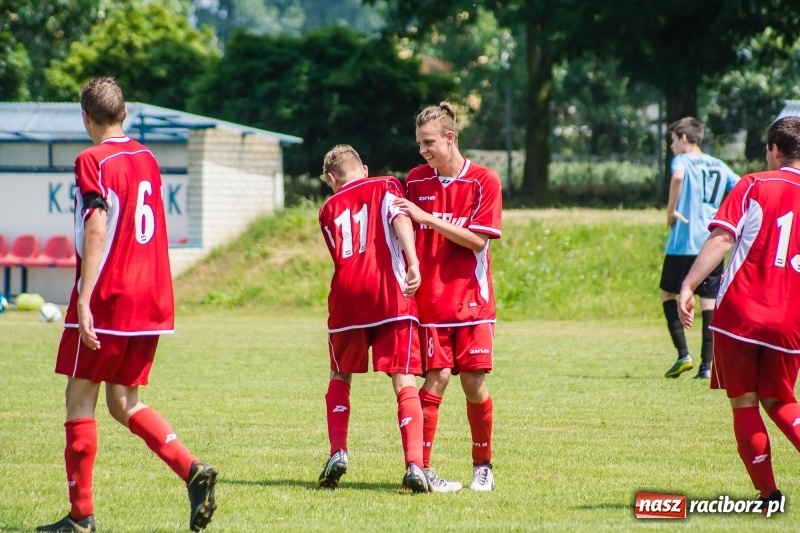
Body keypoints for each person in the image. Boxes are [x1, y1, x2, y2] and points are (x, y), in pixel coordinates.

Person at [37, 77, 217, 533]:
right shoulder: (148, 157)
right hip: (153, 296)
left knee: (79, 396)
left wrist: (83, 298)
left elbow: (96, 225)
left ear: (86, 118)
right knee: (123, 401)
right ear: (124, 114)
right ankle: (191, 469)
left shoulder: (91, 159)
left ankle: (81, 518)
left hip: (111, 294)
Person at [678, 115, 800, 505]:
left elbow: (721, 239)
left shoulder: (752, 184)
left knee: (745, 401)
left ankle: (768, 495)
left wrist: (689, 284)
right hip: (791, 319)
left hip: (741, 314)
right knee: (780, 399)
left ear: (775, 150)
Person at [393, 102, 501, 492]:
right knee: (435, 379)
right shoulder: (416, 180)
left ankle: (483, 465)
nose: (423, 151)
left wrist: (428, 219)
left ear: (450, 138)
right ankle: (420, 470)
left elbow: (477, 241)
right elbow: (399, 219)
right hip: (430, 304)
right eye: (420, 144)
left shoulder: (484, 181)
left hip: (473, 303)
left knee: (474, 384)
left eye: (429, 143)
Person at [317, 144, 429, 493]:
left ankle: (338, 452)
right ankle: (413, 464)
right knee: (403, 376)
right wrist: (413, 262)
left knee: (341, 373)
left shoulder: (328, 208)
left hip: (348, 296)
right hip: (389, 292)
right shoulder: (385, 184)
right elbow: (399, 219)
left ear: (332, 179)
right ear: (363, 168)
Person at [661, 117, 739, 379]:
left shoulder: (682, 160)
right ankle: (707, 366)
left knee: (668, 294)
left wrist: (671, 211)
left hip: (684, 242)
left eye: (672, 140)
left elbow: (678, 177)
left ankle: (683, 354)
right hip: (711, 242)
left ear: (684, 138)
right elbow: (740, 187)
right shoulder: (719, 165)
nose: (671, 146)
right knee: (708, 301)